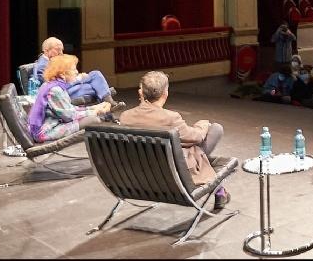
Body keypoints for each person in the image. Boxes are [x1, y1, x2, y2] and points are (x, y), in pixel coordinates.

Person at [121, 70, 231, 209]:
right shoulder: (171, 118)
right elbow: (196, 137)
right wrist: (203, 124)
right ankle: (220, 191)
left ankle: (220, 191)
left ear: (140, 92)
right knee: (214, 130)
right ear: (165, 93)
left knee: (188, 145)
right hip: (172, 176)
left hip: (139, 177)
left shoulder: (126, 117)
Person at [27, 54, 114, 144]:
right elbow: (69, 116)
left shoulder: (53, 85)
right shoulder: (55, 90)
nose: (77, 72)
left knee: (93, 116)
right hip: (44, 131)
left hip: (51, 123)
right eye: (73, 69)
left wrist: (94, 107)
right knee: (93, 120)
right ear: (62, 74)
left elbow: (69, 109)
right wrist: (96, 111)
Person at [31, 36, 120, 107]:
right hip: (61, 93)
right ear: (46, 50)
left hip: (67, 88)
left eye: (62, 50)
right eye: (58, 50)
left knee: (95, 81)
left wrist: (74, 77)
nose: (61, 53)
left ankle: (107, 102)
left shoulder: (53, 60)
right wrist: (78, 79)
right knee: (96, 82)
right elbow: (52, 87)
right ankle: (108, 102)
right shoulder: (42, 66)